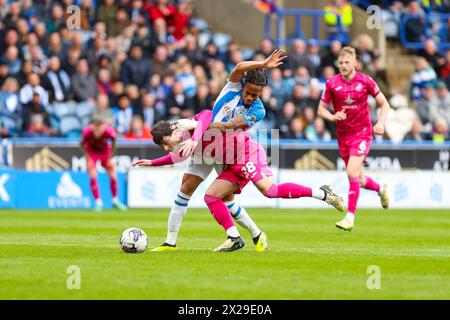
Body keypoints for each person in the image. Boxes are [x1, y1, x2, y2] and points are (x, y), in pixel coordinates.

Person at [132, 109, 344, 252]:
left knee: (269, 191)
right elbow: (177, 155)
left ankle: (323, 193)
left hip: (245, 153)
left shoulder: (184, 126)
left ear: (173, 130)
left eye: (166, 143)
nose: (168, 148)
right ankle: (239, 236)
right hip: (227, 162)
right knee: (213, 197)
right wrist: (152, 163)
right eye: (165, 147)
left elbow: (206, 114)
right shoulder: (179, 140)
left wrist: (196, 138)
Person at [142, 49, 288, 253]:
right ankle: (170, 242)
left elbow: (206, 116)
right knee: (185, 190)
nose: (251, 96)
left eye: (256, 93)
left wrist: (195, 139)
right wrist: (262, 63)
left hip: (224, 151)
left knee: (225, 199)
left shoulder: (257, 108)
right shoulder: (232, 87)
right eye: (249, 91)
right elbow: (238, 68)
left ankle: (253, 234)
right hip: (204, 151)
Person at [318, 46, 390, 231]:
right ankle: (380, 188)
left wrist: (380, 123)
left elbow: (384, 104)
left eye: (346, 62)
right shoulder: (332, 83)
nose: (343, 65)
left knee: (351, 172)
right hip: (343, 136)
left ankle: (350, 217)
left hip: (362, 134)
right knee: (360, 179)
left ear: (355, 63)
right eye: (340, 62)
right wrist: (333, 117)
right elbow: (321, 110)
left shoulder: (365, 81)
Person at [80, 117, 127, 211]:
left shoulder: (109, 131)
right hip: (92, 151)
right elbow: (81, 144)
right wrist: (88, 158)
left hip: (105, 151)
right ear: (92, 128)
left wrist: (110, 157)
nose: (97, 134)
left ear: (103, 128)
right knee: (93, 175)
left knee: (113, 175)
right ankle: (98, 202)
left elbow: (114, 142)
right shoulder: (87, 131)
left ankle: (115, 201)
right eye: (95, 131)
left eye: (99, 131)